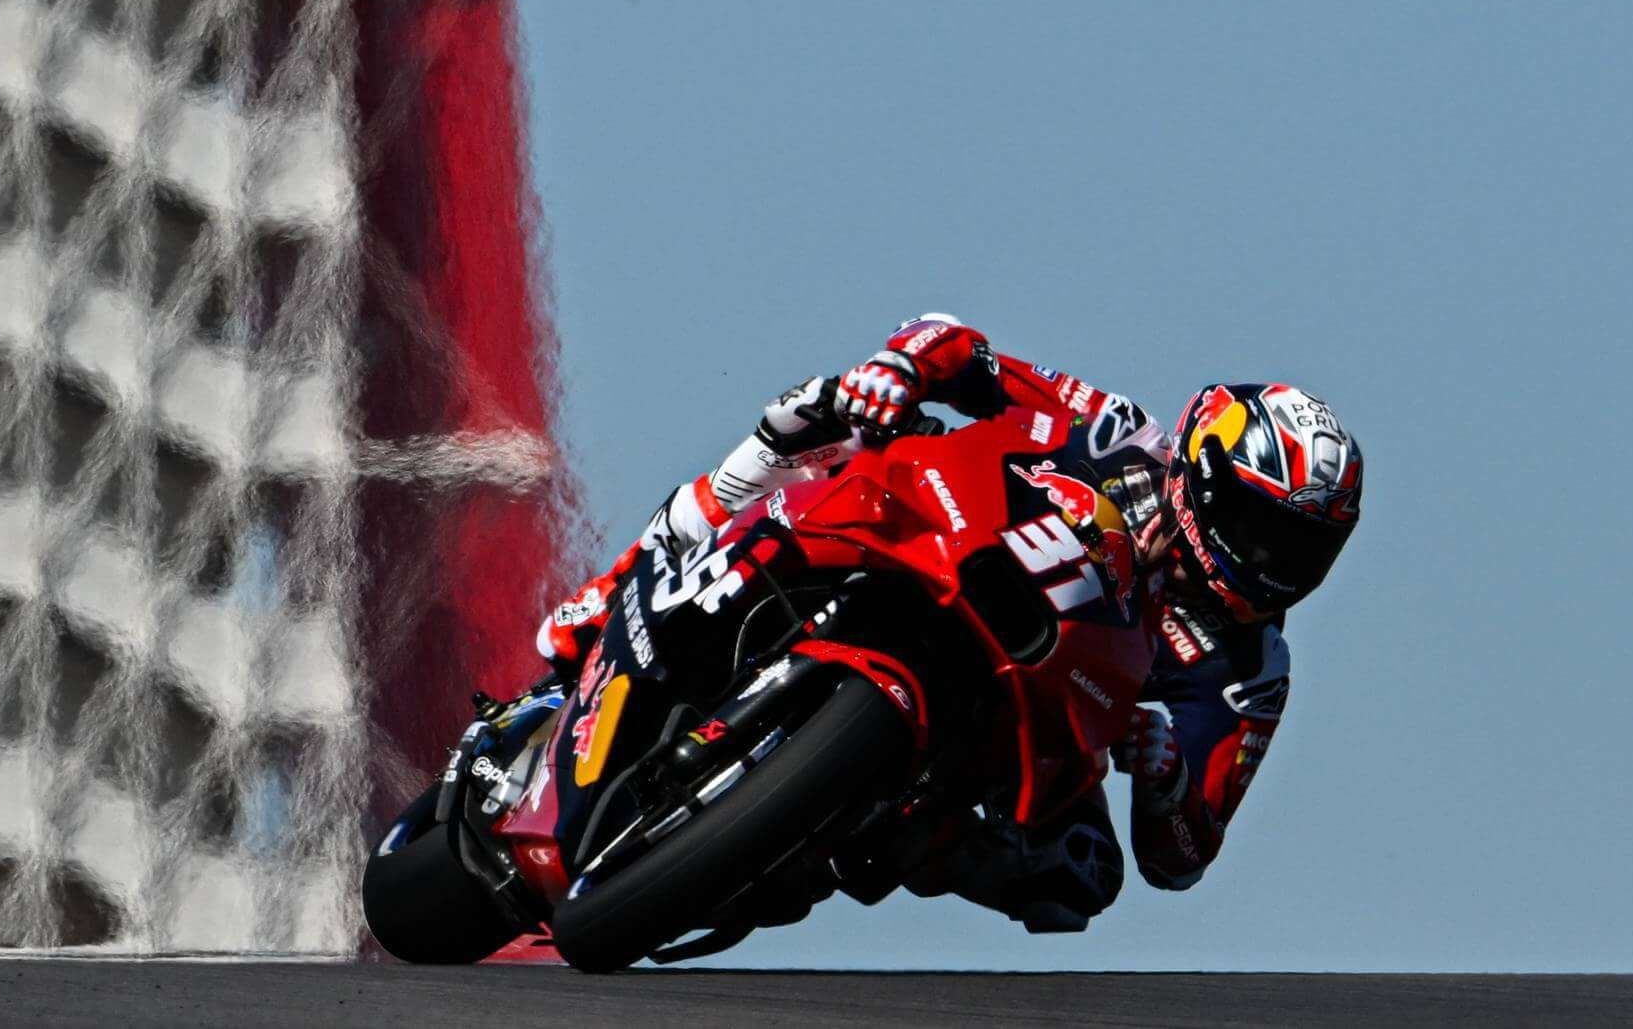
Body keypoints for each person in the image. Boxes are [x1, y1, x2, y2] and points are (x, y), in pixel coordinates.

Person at [529, 315, 1362, 930]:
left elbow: (1181, 855)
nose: (1276, 564)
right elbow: (966, 347)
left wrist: (1167, 773)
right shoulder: (1114, 433)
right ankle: (621, 583)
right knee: (813, 418)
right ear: (1207, 474)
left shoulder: (1250, 665)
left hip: (1026, 723)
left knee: (1083, 875)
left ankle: (876, 830)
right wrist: (899, 367)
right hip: (933, 553)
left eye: (1303, 549)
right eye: (1263, 530)